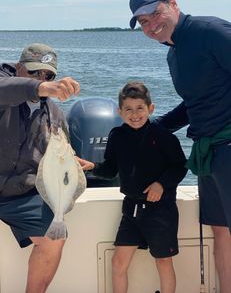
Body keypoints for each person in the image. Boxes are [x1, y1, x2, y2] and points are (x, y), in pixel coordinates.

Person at [129, 0, 231, 292]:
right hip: (209, 153)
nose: (151, 26)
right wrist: (153, 128)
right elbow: (194, 104)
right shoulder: (173, 54)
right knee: (221, 231)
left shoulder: (210, 31)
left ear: (173, 3)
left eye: (155, 14)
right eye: (143, 22)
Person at [81, 81, 187, 293]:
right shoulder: (116, 135)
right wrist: (91, 166)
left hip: (161, 211)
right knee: (118, 263)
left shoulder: (163, 135)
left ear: (151, 108)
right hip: (131, 210)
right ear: (120, 112)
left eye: (140, 108)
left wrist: (161, 184)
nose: (135, 114)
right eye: (128, 109)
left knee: (163, 263)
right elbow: (110, 170)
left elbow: (180, 167)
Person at [0, 42, 80, 293]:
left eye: (48, 75)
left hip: (21, 192)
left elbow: (62, 153)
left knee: (54, 239)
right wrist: (42, 87)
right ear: (19, 68)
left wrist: (75, 161)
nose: (42, 78)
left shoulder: (55, 115)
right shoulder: (5, 86)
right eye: (34, 72)